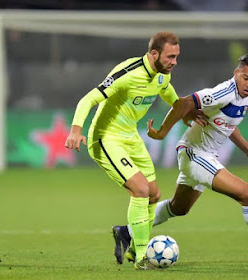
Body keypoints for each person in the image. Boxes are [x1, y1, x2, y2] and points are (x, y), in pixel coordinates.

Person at [115, 53, 248, 267]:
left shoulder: (244, 95)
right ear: (236, 73)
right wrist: (161, 133)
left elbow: (228, 125)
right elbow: (184, 102)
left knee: (179, 208)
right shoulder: (222, 93)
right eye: (245, 78)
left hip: (201, 155)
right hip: (195, 154)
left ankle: (126, 232)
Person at [64, 31, 204, 270]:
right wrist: (76, 130)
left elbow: (171, 96)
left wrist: (186, 113)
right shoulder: (127, 73)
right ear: (154, 54)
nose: (174, 62)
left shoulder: (162, 76)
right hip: (106, 138)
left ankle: (129, 245)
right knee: (140, 190)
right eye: (170, 57)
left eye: (177, 57)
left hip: (131, 137)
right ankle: (142, 258)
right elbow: (88, 99)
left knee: (154, 194)